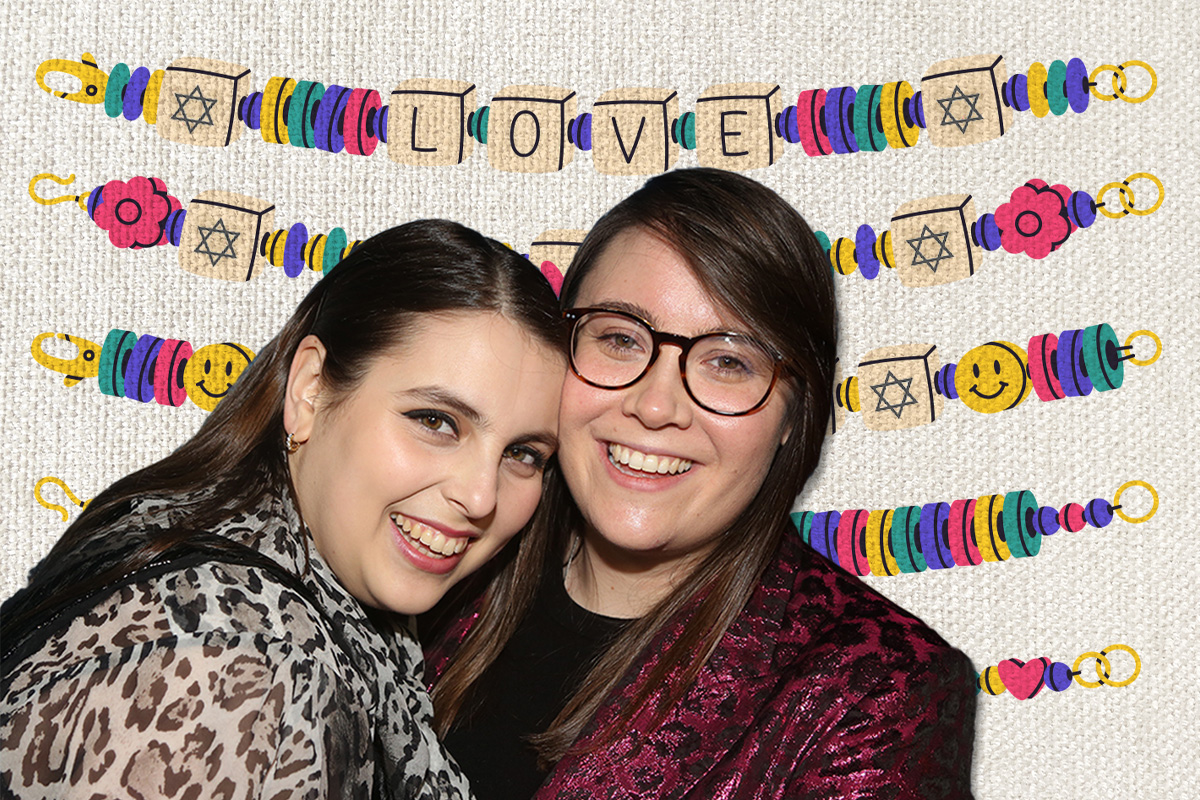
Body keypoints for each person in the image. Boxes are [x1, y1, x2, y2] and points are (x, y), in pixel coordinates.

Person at [426, 169, 977, 799]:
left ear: (796, 417)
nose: (656, 405)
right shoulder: (437, 564)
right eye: (619, 338)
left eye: (727, 361)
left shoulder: (879, 692)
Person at [0, 220, 567, 799]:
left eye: (522, 454)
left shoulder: (228, 555)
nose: (480, 497)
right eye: (435, 422)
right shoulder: (242, 666)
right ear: (310, 391)